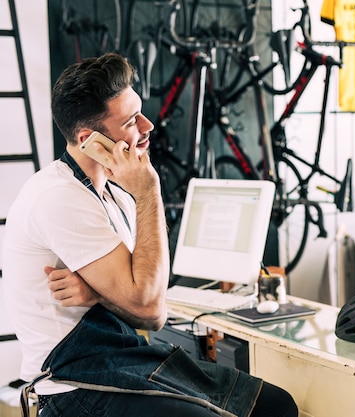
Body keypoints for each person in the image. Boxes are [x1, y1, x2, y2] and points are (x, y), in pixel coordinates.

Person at [2, 52, 298, 417]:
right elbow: (150, 308)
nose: (147, 125)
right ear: (88, 139)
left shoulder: (113, 193)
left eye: (140, 111)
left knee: (275, 406)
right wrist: (148, 191)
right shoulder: (60, 197)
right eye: (130, 121)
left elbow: (144, 299)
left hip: (122, 361)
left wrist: (97, 292)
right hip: (71, 388)